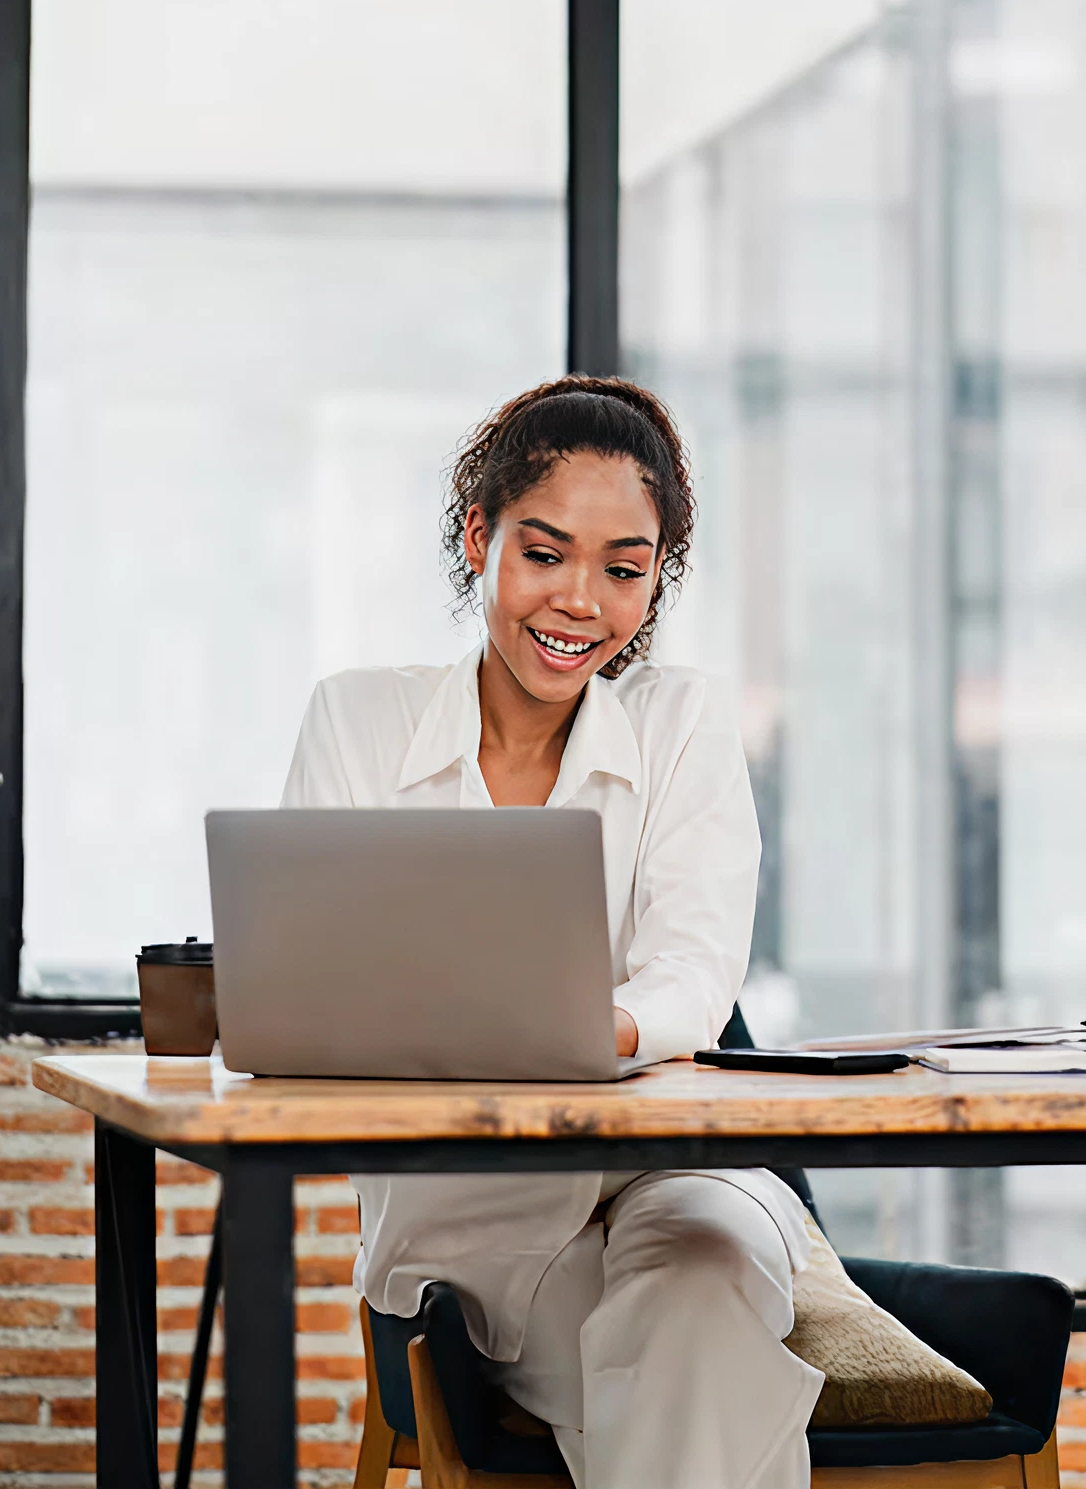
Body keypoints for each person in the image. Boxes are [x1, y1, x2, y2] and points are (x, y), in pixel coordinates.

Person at [282, 375, 823, 1488]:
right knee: (694, 1359)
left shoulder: (682, 724)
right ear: (478, 535)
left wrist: (588, 1027)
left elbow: (693, 971)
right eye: (544, 554)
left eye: (623, 570)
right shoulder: (360, 722)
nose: (581, 601)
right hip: (473, 1219)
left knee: (704, 1282)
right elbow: (317, 987)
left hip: (676, 1176)